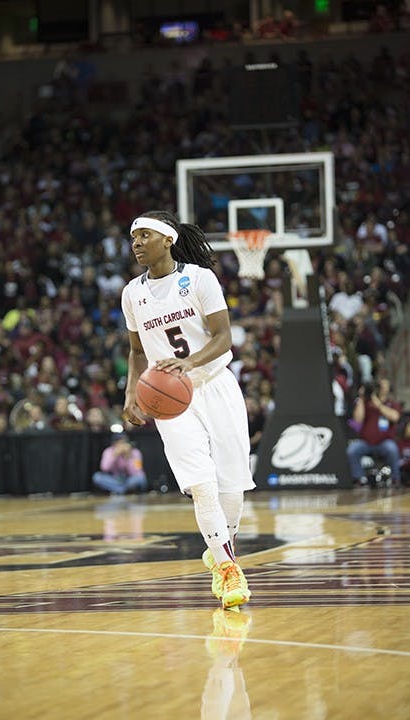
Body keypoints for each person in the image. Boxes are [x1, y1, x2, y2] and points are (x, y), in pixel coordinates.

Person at [122, 210, 255, 610]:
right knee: (202, 486)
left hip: (215, 384)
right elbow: (137, 351)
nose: (137, 243)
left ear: (168, 239)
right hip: (170, 401)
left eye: (145, 235)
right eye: (133, 238)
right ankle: (228, 568)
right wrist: (131, 392)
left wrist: (190, 362)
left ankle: (221, 550)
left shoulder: (199, 279)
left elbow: (223, 337)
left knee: (232, 487)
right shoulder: (132, 293)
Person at [347, 378, 402, 487]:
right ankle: (360, 479)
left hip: (384, 442)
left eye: (385, 384)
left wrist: (379, 404)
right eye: (380, 384)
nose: (382, 386)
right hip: (366, 442)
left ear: (389, 388)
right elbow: (358, 420)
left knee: (392, 449)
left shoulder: (392, 403)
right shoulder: (367, 403)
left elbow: (395, 417)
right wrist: (362, 398)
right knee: (352, 449)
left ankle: (395, 479)